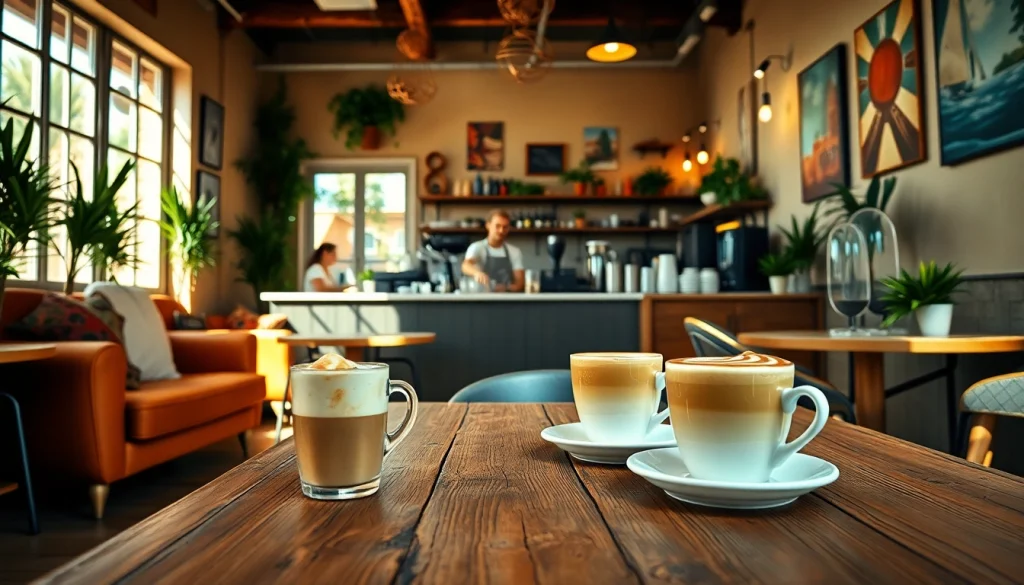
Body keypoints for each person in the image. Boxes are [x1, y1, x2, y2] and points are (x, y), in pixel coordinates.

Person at [461, 209, 525, 292]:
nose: (501, 230)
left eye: (505, 227)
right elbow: (466, 266)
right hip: (481, 300)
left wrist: (505, 288)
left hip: (507, 300)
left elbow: (520, 284)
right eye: (497, 226)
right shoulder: (477, 248)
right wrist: (477, 273)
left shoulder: (515, 252)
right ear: (488, 225)